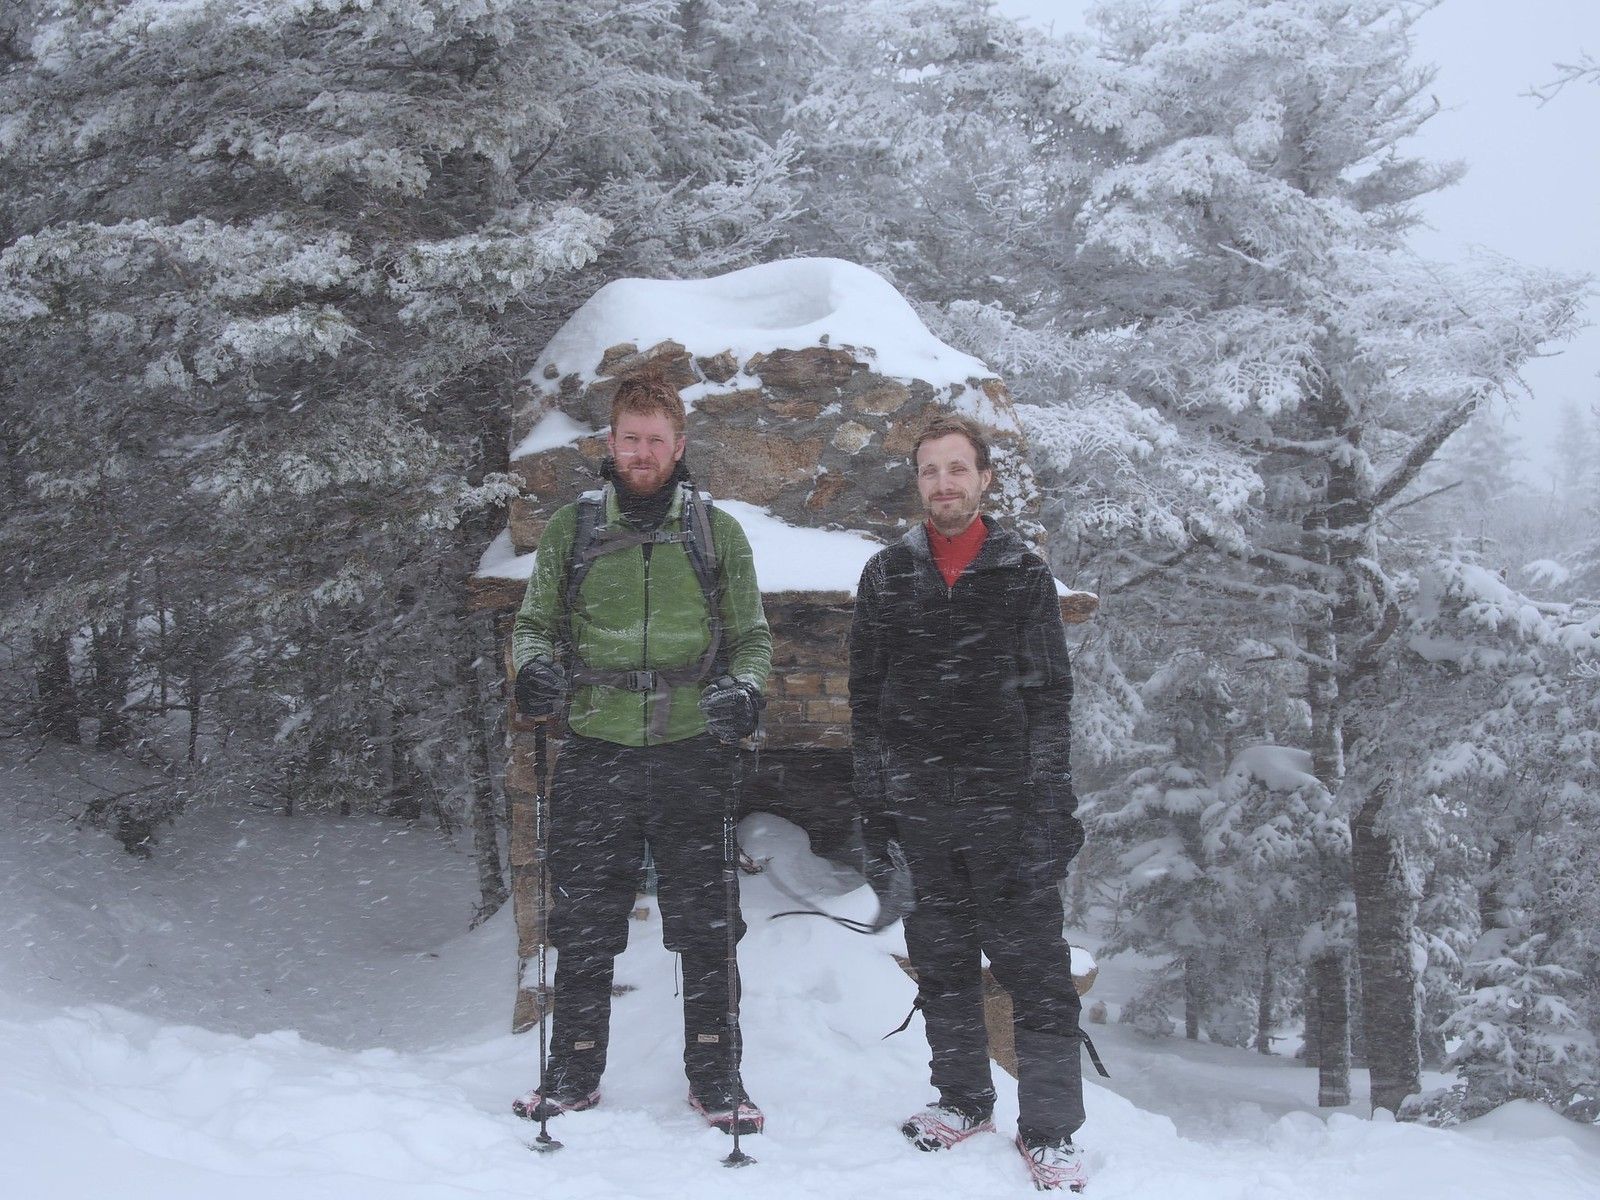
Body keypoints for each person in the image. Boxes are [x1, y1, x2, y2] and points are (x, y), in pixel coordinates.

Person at [509, 374, 772, 1136]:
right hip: (596, 747)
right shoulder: (574, 528)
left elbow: (751, 638)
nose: (644, 452)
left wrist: (744, 691)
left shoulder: (716, 534)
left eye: (658, 439)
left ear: (679, 446)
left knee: (708, 924)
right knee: (585, 920)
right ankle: (573, 1073)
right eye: (632, 438)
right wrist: (532, 670)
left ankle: (717, 1077)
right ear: (611, 444)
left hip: (693, 749)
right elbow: (533, 624)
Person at [848, 412, 1088, 1192]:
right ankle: (962, 1100)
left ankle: (1050, 1131)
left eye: (958, 469)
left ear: (985, 478)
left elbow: (1051, 698)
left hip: (1007, 808)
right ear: (916, 483)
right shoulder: (886, 576)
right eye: (929, 471)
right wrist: (875, 804)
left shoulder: (1021, 573)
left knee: (1038, 975)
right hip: (921, 808)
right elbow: (866, 702)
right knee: (944, 967)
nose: (944, 483)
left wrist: (1052, 806)